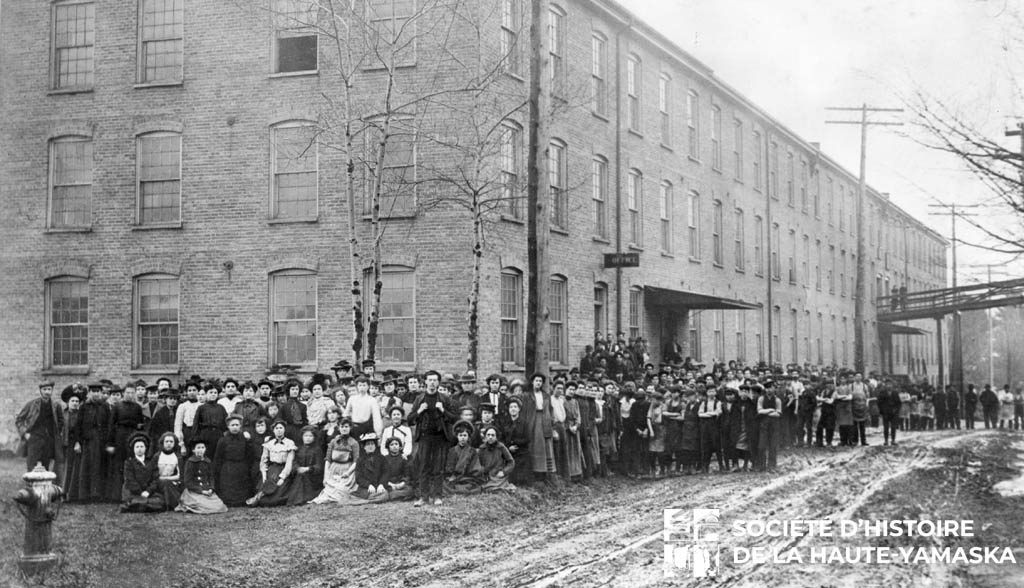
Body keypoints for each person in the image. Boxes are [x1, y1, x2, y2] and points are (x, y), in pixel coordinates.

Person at [409, 371, 457, 506]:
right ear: (425, 382)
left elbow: (453, 418)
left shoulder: (444, 399)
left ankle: (437, 496)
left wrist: (443, 411)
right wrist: (419, 411)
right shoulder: (419, 399)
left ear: (438, 382)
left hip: (440, 437)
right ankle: (423, 497)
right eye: (429, 380)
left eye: (435, 380)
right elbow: (410, 419)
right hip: (424, 437)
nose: (432, 383)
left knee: (438, 467)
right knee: (424, 466)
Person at [16, 380, 66, 481]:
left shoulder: (56, 406)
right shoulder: (32, 404)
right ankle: (30, 491)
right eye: (44, 389)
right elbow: (19, 419)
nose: (47, 392)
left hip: (48, 440)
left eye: (49, 389)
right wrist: (25, 433)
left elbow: (61, 421)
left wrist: (55, 434)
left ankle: (43, 491)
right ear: (40, 391)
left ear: (52, 391)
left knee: (45, 467)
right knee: (32, 466)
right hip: (34, 439)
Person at [311, 419, 365, 505]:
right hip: (334, 469)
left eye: (346, 427)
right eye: (342, 427)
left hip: (347, 470)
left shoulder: (354, 443)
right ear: (338, 428)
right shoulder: (333, 441)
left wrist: (348, 473)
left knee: (342, 489)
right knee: (328, 490)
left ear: (350, 428)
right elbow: (328, 459)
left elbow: (356, 461)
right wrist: (326, 476)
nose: (344, 429)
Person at [107, 384, 144, 501]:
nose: (130, 395)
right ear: (123, 393)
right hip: (120, 437)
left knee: (132, 464)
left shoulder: (137, 407)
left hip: (132, 437)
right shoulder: (117, 407)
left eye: (132, 393)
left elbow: (140, 424)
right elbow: (111, 426)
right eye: (127, 393)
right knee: (119, 465)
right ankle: (117, 495)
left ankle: (132, 494)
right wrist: (110, 443)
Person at [75, 384, 111, 502]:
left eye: (98, 391)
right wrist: (77, 442)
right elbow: (78, 426)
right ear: (89, 393)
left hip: (101, 441)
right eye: (93, 391)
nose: (96, 394)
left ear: (101, 393)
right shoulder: (84, 407)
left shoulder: (105, 406)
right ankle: (84, 495)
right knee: (86, 467)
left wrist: (108, 442)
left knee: (100, 467)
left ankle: (98, 494)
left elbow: (108, 425)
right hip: (88, 441)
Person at [247, 420, 296, 507]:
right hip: (271, 469)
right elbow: (264, 461)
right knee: (266, 490)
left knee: (274, 499)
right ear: (273, 430)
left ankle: (260, 497)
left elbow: (289, 463)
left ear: (284, 429)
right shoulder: (269, 444)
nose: (279, 430)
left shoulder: (290, 443)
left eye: (281, 428)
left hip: (283, 470)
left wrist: (282, 477)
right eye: (276, 428)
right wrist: (264, 475)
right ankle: (259, 497)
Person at [176, 440, 228, 514]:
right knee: (201, 505)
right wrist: (201, 491)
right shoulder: (190, 462)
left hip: (207, 489)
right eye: (198, 448)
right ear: (193, 450)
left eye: (203, 447)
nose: (201, 450)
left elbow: (211, 477)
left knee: (219, 506)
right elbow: (188, 482)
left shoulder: (208, 461)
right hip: (194, 491)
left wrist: (211, 488)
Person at [522, 374, 557, 484]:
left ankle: (544, 472)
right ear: (532, 382)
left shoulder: (546, 396)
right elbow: (524, 411)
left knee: (545, 446)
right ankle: (534, 472)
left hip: (544, 421)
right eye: (536, 380)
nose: (538, 383)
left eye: (540, 381)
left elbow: (550, 410)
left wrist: (551, 421)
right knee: (534, 445)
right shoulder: (527, 396)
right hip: (532, 421)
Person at [213, 414, 255, 507]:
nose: (235, 427)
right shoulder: (223, 440)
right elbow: (218, 457)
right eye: (232, 425)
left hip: (242, 466)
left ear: (240, 426)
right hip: (228, 467)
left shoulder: (245, 439)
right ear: (228, 427)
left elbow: (249, 454)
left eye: (237, 425)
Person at [120, 433, 164, 513]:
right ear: (133, 449)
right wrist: (140, 492)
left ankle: (142, 505)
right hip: (134, 491)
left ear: (145, 448)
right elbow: (130, 479)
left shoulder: (151, 461)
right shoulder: (129, 462)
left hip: (148, 492)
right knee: (132, 500)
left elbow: (155, 479)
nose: (139, 449)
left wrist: (148, 491)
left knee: (159, 501)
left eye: (141, 446)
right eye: (137, 447)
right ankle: (140, 504)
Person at [444, 421, 482, 494]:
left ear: (468, 437)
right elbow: (449, 466)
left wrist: (469, 474)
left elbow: (475, 467)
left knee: (472, 486)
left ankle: (461, 488)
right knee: (445, 485)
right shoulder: (452, 450)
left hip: (467, 478)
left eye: (465, 435)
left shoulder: (472, 451)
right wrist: (452, 475)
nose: (463, 438)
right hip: (454, 477)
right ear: (457, 436)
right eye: (460, 435)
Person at [61, 385, 85, 500]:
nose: (75, 403)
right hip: (65, 443)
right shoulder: (63, 413)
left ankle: (72, 494)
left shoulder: (81, 414)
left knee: (75, 468)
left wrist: (78, 442)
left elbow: (81, 431)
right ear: (67, 402)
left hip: (76, 444)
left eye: (77, 401)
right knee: (64, 469)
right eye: (72, 401)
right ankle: (62, 492)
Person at [192, 385, 228, 461]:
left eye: (215, 392)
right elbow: (196, 424)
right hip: (205, 436)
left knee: (218, 457)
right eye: (211, 392)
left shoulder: (221, 407)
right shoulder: (201, 408)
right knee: (207, 456)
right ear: (206, 394)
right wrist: (196, 438)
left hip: (218, 435)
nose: (213, 394)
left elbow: (226, 423)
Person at [373, 437, 414, 503]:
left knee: (410, 490)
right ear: (388, 447)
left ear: (400, 446)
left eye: (396, 444)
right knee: (384, 491)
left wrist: (402, 483)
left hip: (400, 483)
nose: (394, 446)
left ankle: (393, 495)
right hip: (389, 484)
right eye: (391, 445)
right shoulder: (384, 459)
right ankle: (394, 495)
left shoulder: (403, 459)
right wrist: (390, 484)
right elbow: (381, 475)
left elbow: (407, 474)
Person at [477, 425, 516, 492]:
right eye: (488, 435)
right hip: (486, 475)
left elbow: (511, 462)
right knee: (482, 487)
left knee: (495, 487)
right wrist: (482, 471)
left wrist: (504, 472)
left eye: (493, 435)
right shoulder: (482, 448)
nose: (490, 437)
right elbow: (477, 463)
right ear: (485, 436)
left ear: (496, 437)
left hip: (497, 475)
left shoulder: (501, 447)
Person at [504, 396, 531, 486]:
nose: (513, 409)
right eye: (511, 407)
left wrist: (515, 443)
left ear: (519, 409)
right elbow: (502, 438)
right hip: (508, 451)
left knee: (521, 478)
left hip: (521, 451)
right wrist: (508, 447)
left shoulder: (524, 423)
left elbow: (527, 438)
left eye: (515, 407)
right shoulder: (506, 423)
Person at [153, 432, 183, 510]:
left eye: (171, 442)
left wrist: (167, 479)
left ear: (175, 443)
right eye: (166, 442)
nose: (169, 444)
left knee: (168, 484)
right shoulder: (157, 456)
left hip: (173, 482)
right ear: (162, 443)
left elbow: (180, 475)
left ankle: (171, 504)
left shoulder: (178, 457)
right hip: (158, 482)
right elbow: (153, 473)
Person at [757, 383, 782, 473]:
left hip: (774, 425)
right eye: (767, 388)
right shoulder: (761, 398)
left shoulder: (777, 400)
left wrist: (767, 413)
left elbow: (778, 413)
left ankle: (772, 465)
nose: (768, 390)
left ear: (774, 389)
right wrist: (770, 410)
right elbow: (759, 410)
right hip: (764, 425)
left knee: (773, 446)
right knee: (762, 446)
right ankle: (761, 466)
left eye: (770, 388)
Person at [876, 380, 902, 446]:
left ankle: (893, 440)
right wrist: (882, 411)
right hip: (885, 413)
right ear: (885, 385)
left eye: (890, 384)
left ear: (892, 385)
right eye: (887, 384)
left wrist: (896, 410)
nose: (889, 386)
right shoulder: (882, 393)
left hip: (894, 412)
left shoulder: (895, 393)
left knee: (893, 427)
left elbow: (899, 403)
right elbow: (879, 403)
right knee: (886, 427)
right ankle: (886, 440)